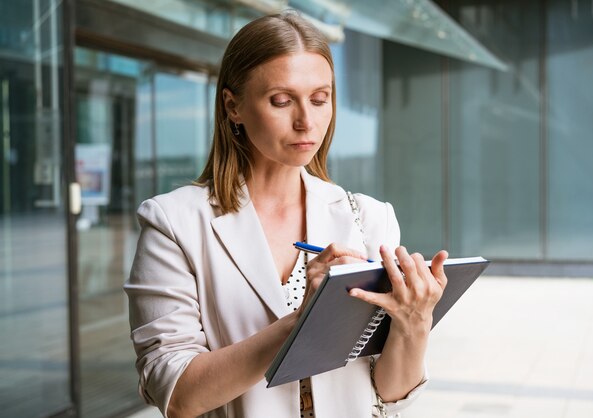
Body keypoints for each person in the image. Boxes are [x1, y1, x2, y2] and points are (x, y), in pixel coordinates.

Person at [124, 11, 448, 418]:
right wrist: (301, 323)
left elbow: (387, 392)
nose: (306, 121)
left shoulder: (370, 217)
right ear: (233, 106)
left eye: (319, 99)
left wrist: (414, 322)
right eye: (281, 100)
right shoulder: (173, 223)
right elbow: (177, 394)